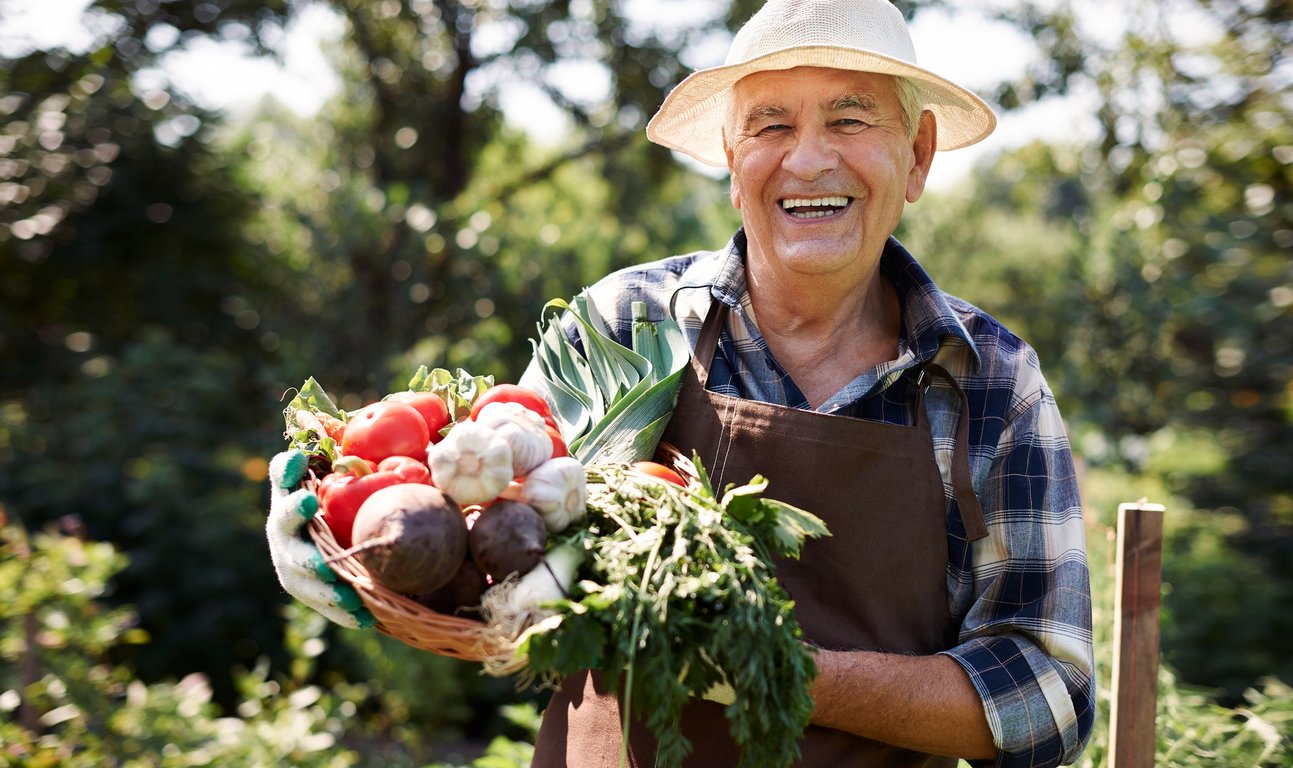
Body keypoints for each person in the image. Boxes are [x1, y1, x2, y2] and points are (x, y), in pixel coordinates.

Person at [267, 0, 1095, 765]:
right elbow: (496, 564)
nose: (807, 158)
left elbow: (1048, 693)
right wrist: (359, 544)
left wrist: (773, 669)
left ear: (916, 158)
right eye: (769, 124)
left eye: (850, 117)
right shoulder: (621, 324)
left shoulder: (988, 381)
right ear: (734, 163)